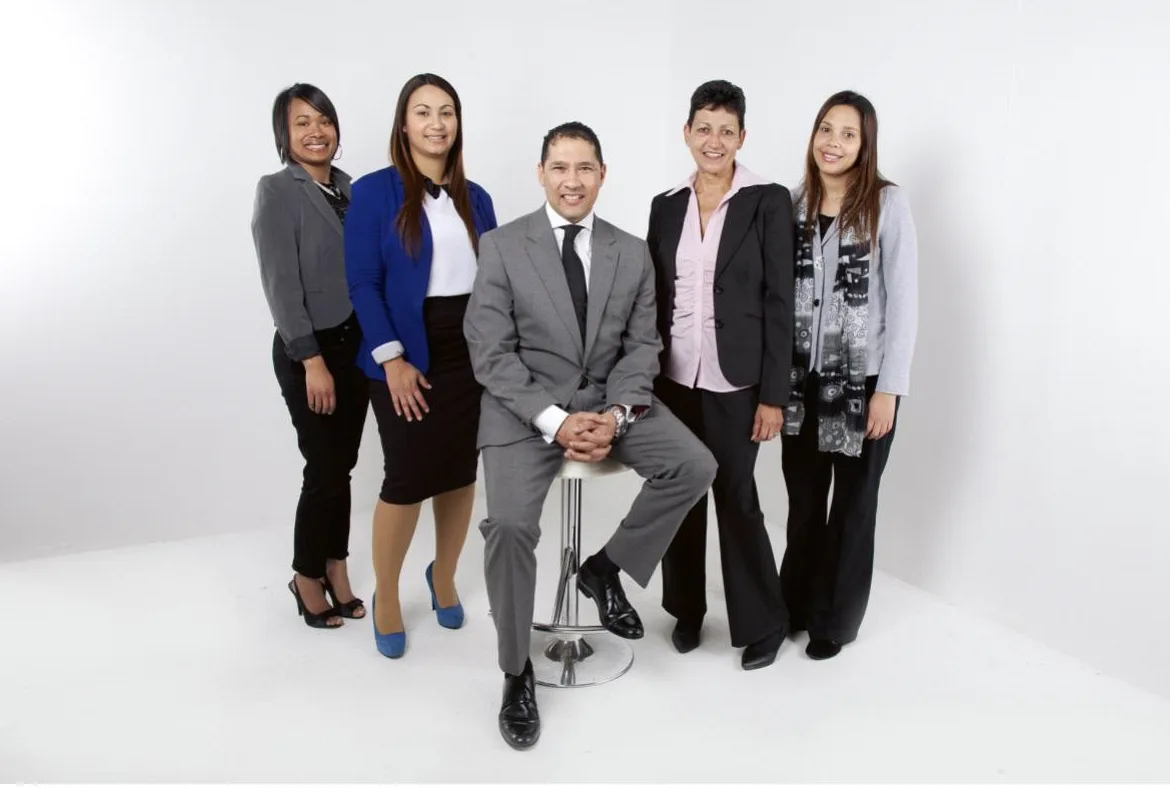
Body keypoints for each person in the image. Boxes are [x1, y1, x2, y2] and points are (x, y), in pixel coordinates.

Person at [464, 121, 717, 750]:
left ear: (603, 174)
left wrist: (616, 418)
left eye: (585, 168)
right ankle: (516, 669)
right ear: (541, 172)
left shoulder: (631, 252)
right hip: (523, 413)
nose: (572, 181)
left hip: (611, 405)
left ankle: (604, 569)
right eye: (559, 167)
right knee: (513, 528)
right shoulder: (500, 246)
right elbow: (490, 353)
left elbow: (643, 347)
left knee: (695, 464)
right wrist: (552, 419)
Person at [344, 73, 498, 659]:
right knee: (406, 478)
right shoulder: (373, 192)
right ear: (403, 124)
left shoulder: (477, 197)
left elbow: (494, 280)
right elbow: (362, 282)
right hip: (404, 349)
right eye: (423, 112)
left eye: (447, 112)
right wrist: (394, 361)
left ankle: (443, 576)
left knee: (460, 473)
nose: (437, 123)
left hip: (469, 351)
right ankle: (387, 593)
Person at [646, 79, 795, 670]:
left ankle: (762, 621)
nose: (714, 141)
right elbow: (654, 297)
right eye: (703, 128)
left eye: (726, 131)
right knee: (680, 494)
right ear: (687, 132)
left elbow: (780, 300)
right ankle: (685, 609)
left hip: (738, 383)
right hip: (673, 379)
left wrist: (774, 396)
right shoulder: (665, 205)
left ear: (742, 138)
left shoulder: (768, 200)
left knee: (736, 496)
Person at [778, 90, 919, 660]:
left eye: (848, 134)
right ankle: (794, 605)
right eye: (826, 129)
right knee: (805, 502)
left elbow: (904, 299)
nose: (833, 143)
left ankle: (835, 622)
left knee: (854, 507)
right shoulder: (793, 205)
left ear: (865, 145)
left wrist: (890, 388)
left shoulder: (888, 203)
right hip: (803, 384)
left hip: (864, 385)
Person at [251, 83, 369, 630]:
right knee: (323, 469)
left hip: (356, 347)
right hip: (311, 352)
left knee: (341, 469)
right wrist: (311, 361)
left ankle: (336, 566)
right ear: (286, 133)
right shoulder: (278, 190)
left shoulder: (350, 190)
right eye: (302, 122)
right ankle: (304, 576)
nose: (315, 131)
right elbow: (280, 284)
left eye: (323, 120)